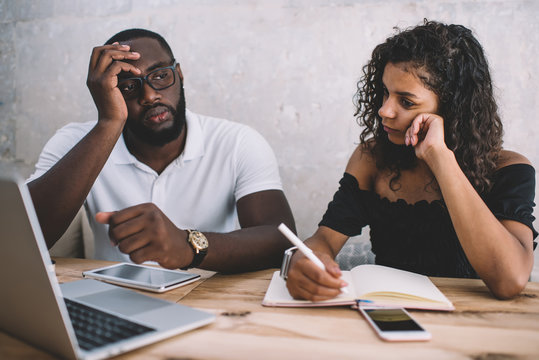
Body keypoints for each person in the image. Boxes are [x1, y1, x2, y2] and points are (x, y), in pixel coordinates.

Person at [285, 20, 536, 300]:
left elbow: (510, 279)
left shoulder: (509, 169)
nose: (384, 110)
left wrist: (440, 157)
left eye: (405, 102)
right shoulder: (372, 158)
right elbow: (324, 239)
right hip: (389, 314)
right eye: (384, 92)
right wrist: (306, 260)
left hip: (475, 325)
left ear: (453, 109)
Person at [27, 28, 295, 273]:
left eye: (160, 76)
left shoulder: (237, 142)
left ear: (178, 74)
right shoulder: (76, 142)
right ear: (108, 92)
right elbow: (21, 237)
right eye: (129, 86)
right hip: (112, 300)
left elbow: (280, 241)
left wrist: (189, 246)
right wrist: (109, 123)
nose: (150, 96)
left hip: (210, 301)